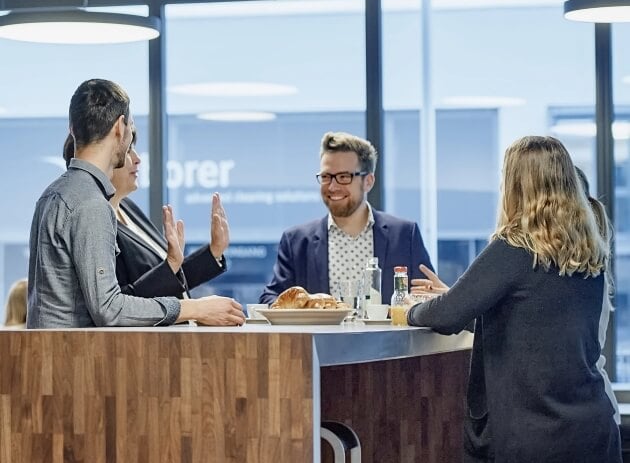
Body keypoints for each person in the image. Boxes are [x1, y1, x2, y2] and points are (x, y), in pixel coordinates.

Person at [407, 136, 621, 463]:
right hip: (587, 431)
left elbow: (445, 316)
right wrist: (462, 299)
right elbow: (530, 322)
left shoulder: (514, 247)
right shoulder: (589, 252)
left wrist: (409, 310)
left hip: (529, 438)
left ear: (516, 185)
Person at [28, 78, 244, 328]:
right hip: (75, 360)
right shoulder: (92, 204)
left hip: (50, 356)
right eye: (130, 128)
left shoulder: (52, 194)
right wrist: (192, 308)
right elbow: (109, 309)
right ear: (120, 127)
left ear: (72, 128)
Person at [260, 131, 433, 305]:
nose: (333, 186)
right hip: (320, 334)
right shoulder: (296, 241)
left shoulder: (404, 236)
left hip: (388, 333)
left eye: (344, 177)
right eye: (326, 177)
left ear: (368, 181)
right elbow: (270, 300)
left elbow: (429, 297)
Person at [63, 131, 228, 299]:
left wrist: (214, 251)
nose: (137, 158)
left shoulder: (127, 207)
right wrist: (193, 309)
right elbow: (118, 304)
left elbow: (171, 278)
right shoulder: (94, 221)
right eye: (128, 151)